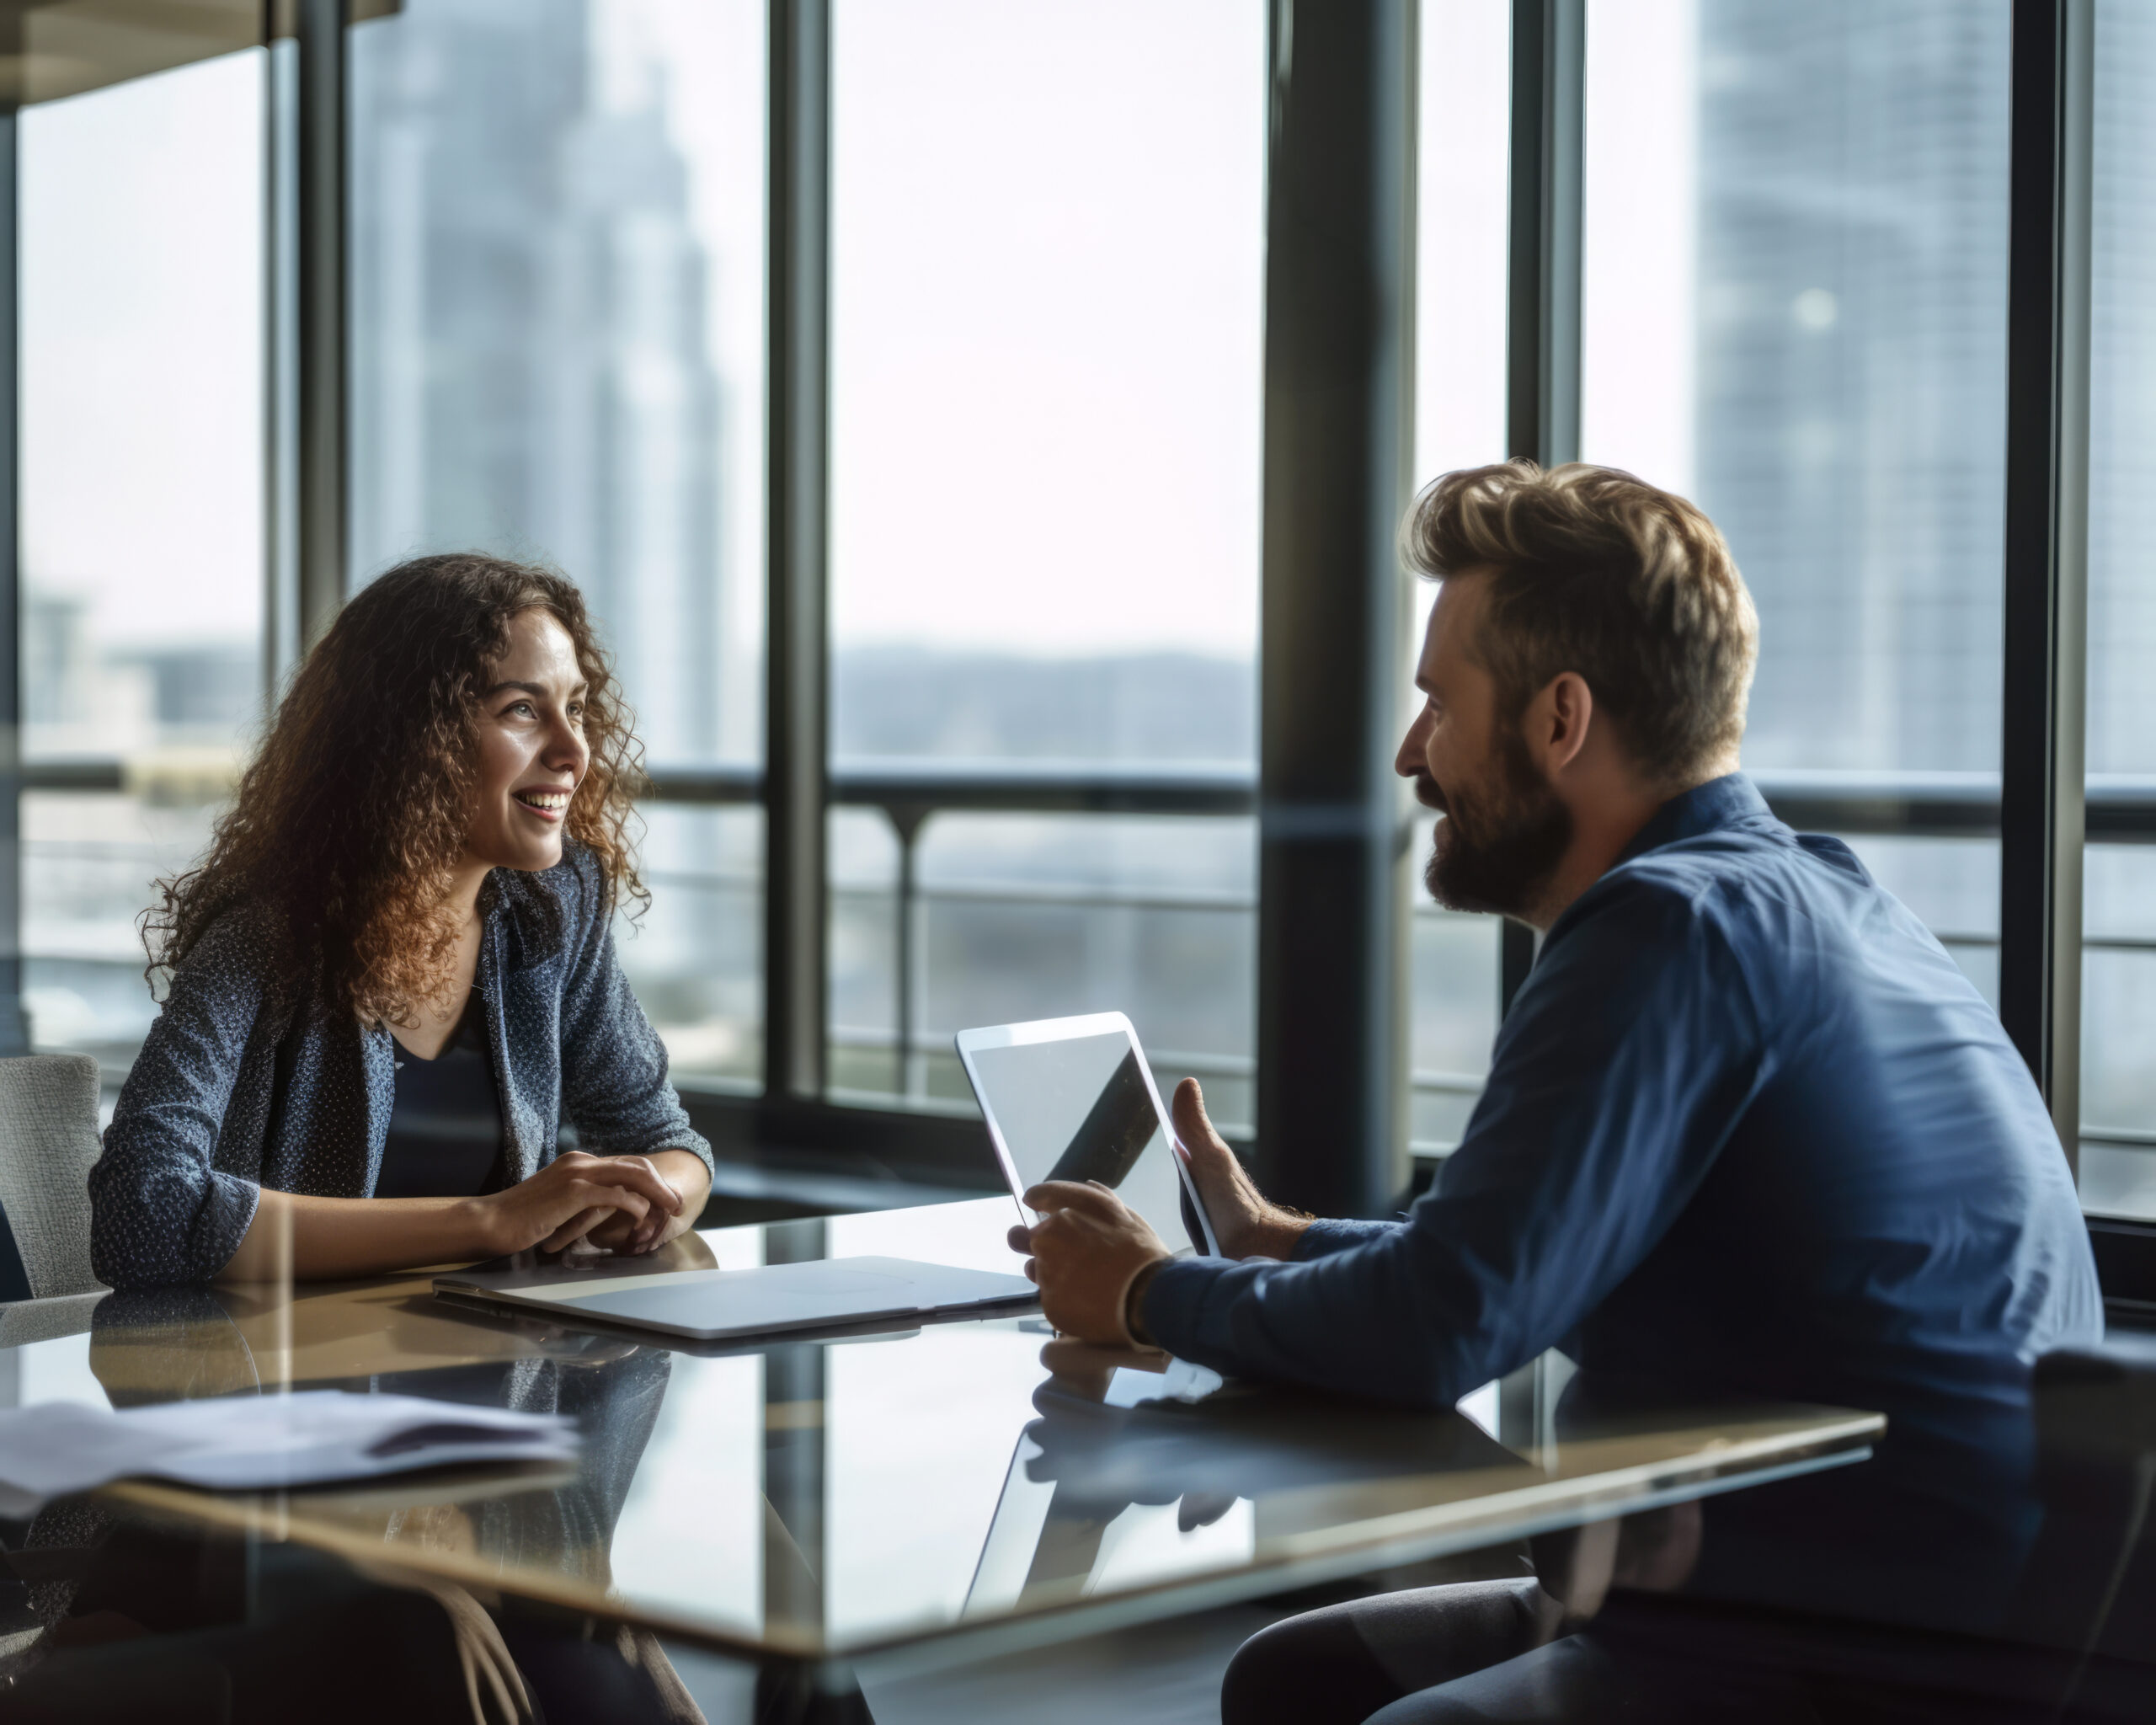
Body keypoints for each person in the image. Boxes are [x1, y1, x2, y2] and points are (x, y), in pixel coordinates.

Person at [1008, 462, 2104, 1722]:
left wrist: (1145, 1294)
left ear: (1560, 720)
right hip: (1895, 1609)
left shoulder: (1666, 926)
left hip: (1842, 1658)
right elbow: (1528, 1266)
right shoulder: (1822, 893)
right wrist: (1281, 1243)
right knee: (1291, 1679)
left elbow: (1442, 1330)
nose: (1413, 754)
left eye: (1438, 705)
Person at [89, 553, 715, 1290]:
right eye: (522, 709)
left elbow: (668, 1142)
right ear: (414, 739)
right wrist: (493, 1221)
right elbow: (141, 1215)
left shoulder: (553, 909)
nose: (574, 749)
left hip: (500, 1375)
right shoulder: (266, 937)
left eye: (575, 707)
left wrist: (643, 1199)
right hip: (281, 1385)